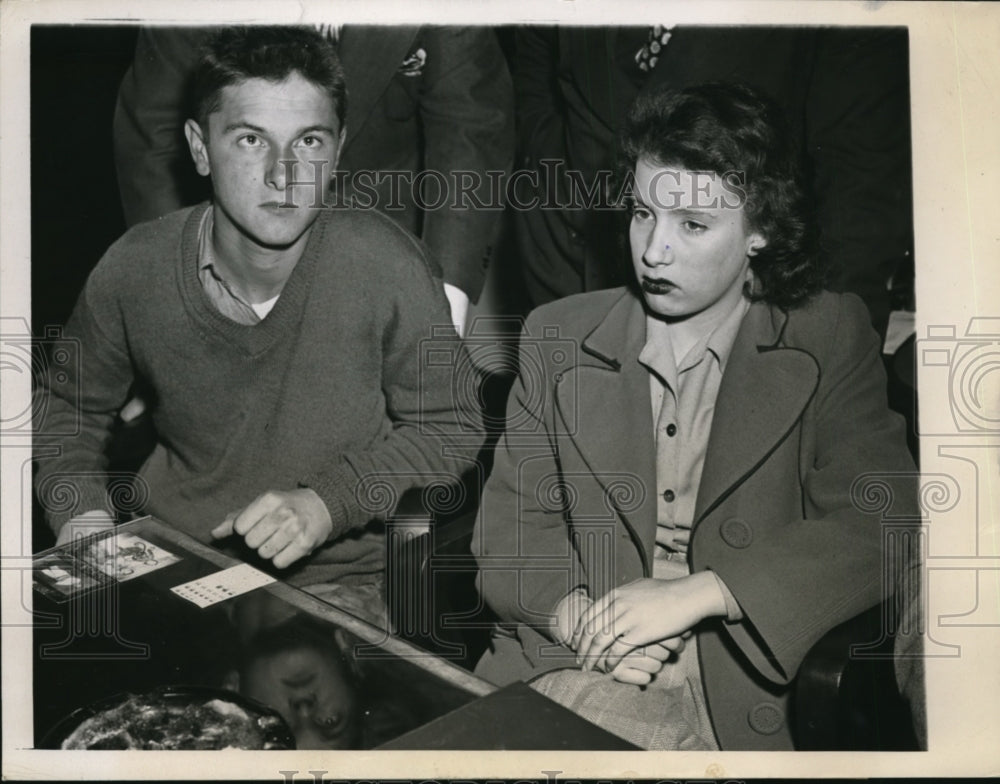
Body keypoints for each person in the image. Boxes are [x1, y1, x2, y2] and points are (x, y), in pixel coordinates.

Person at [473, 81, 918, 750]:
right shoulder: (556, 333)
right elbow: (509, 533)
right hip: (578, 662)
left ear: (761, 231)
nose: (654, 250)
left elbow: (882, 517)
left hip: (739, 685)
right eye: (642, 214)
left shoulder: (827, 332)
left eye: (693, 224)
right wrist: (585, 623)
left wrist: (704, 593)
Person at [34, 27, 484, 622]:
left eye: (309, 141)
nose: (283, 173)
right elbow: (67, 409)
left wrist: (328, 503)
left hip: (330, 581)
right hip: (170, 559)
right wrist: (83, 512)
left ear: (338, 152)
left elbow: (453, 427)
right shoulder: (134, 267)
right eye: (251, 140)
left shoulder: (386, 266)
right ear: (199, 148)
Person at [510, 26, 912, 342]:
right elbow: (535, 55)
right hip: (562, 258)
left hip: (744, 308)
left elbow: (862, 177)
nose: (653, 253)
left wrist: (826, 344)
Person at [114, 24, 514, 336]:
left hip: (386, 242)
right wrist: (177, 293)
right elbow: (152, 139)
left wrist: (445, 307)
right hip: (234, 252)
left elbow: (471, 125)